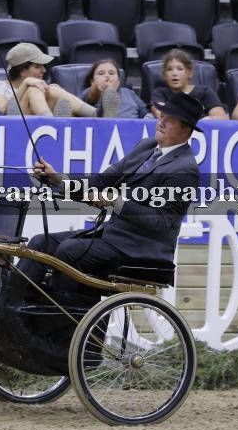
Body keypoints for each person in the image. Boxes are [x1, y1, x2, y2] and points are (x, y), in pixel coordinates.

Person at [16, 91, 205, 287]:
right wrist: (57, 179)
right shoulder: (146, 147)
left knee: (69, 250)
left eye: (170, 120)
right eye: (162, 116)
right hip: (113, 237)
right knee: (40, 243)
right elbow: (100, 182)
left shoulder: (185, 169)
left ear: (185, 131)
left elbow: (161, 221)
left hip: (142, 250)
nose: (161, 122)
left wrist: (116, 202)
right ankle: (15, 301)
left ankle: (62, 306)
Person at [0, 43, 96, 117]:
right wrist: (25, 85)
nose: (44, 70)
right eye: (37, 67)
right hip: (16, 125)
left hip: (38, 124)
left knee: (53, 90)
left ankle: (96, 114)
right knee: (33, 90)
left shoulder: (41, 85)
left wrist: (55, 94)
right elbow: (2, 112)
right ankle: (51, 121)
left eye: (43, 66)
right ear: (22, 71)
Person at [150, 50, 228, 120]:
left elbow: (221, 118)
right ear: (164, 75)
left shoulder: (205, 92)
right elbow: (161, 113)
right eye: (169, 69)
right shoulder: (159, 93)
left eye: (180, 69)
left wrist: (208, 120)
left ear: (189, 73)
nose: (174, 73)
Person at [80, 59, 148, 119]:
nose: (107, 76)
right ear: (92, 81)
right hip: (101, 126)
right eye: (101, 74)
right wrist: (97, 88)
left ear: (118, 80)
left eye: (111, 73)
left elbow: (146, 114)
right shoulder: (90, 93)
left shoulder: (129, 93)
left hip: (130, 127)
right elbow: (90, 97)